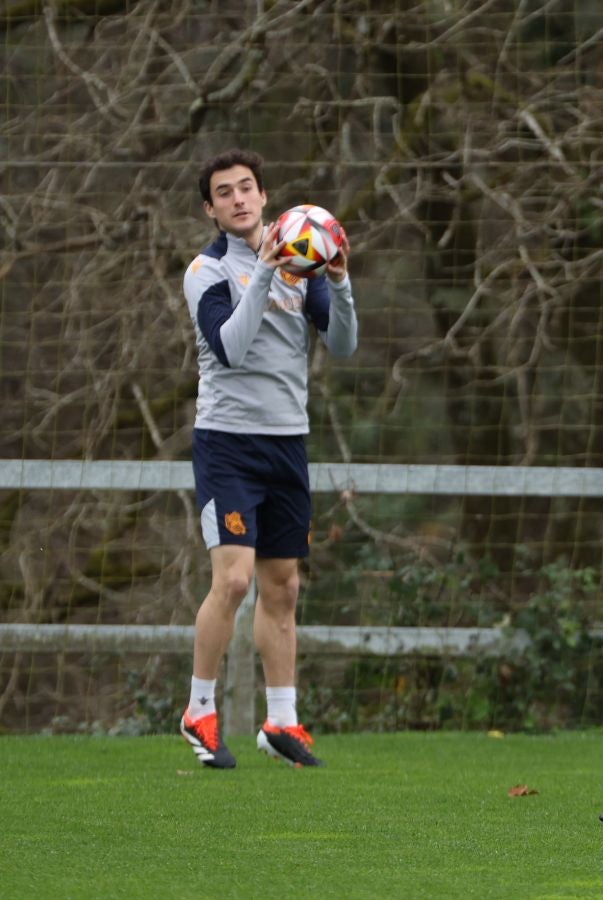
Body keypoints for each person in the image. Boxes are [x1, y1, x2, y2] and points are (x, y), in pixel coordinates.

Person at [179, 149, 358, 769]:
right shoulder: (206, 272)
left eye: (247, 187)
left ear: (263, 194)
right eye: (223, 192)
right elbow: (229, 348)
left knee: (283, 585)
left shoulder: (303, 268)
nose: (238, 198)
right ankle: (199, 710)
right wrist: (264, 271)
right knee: (233, 579)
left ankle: (282, 721)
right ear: (210, 208)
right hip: (227, 443)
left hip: (288, 442)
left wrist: (337, 279)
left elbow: (343, 344)